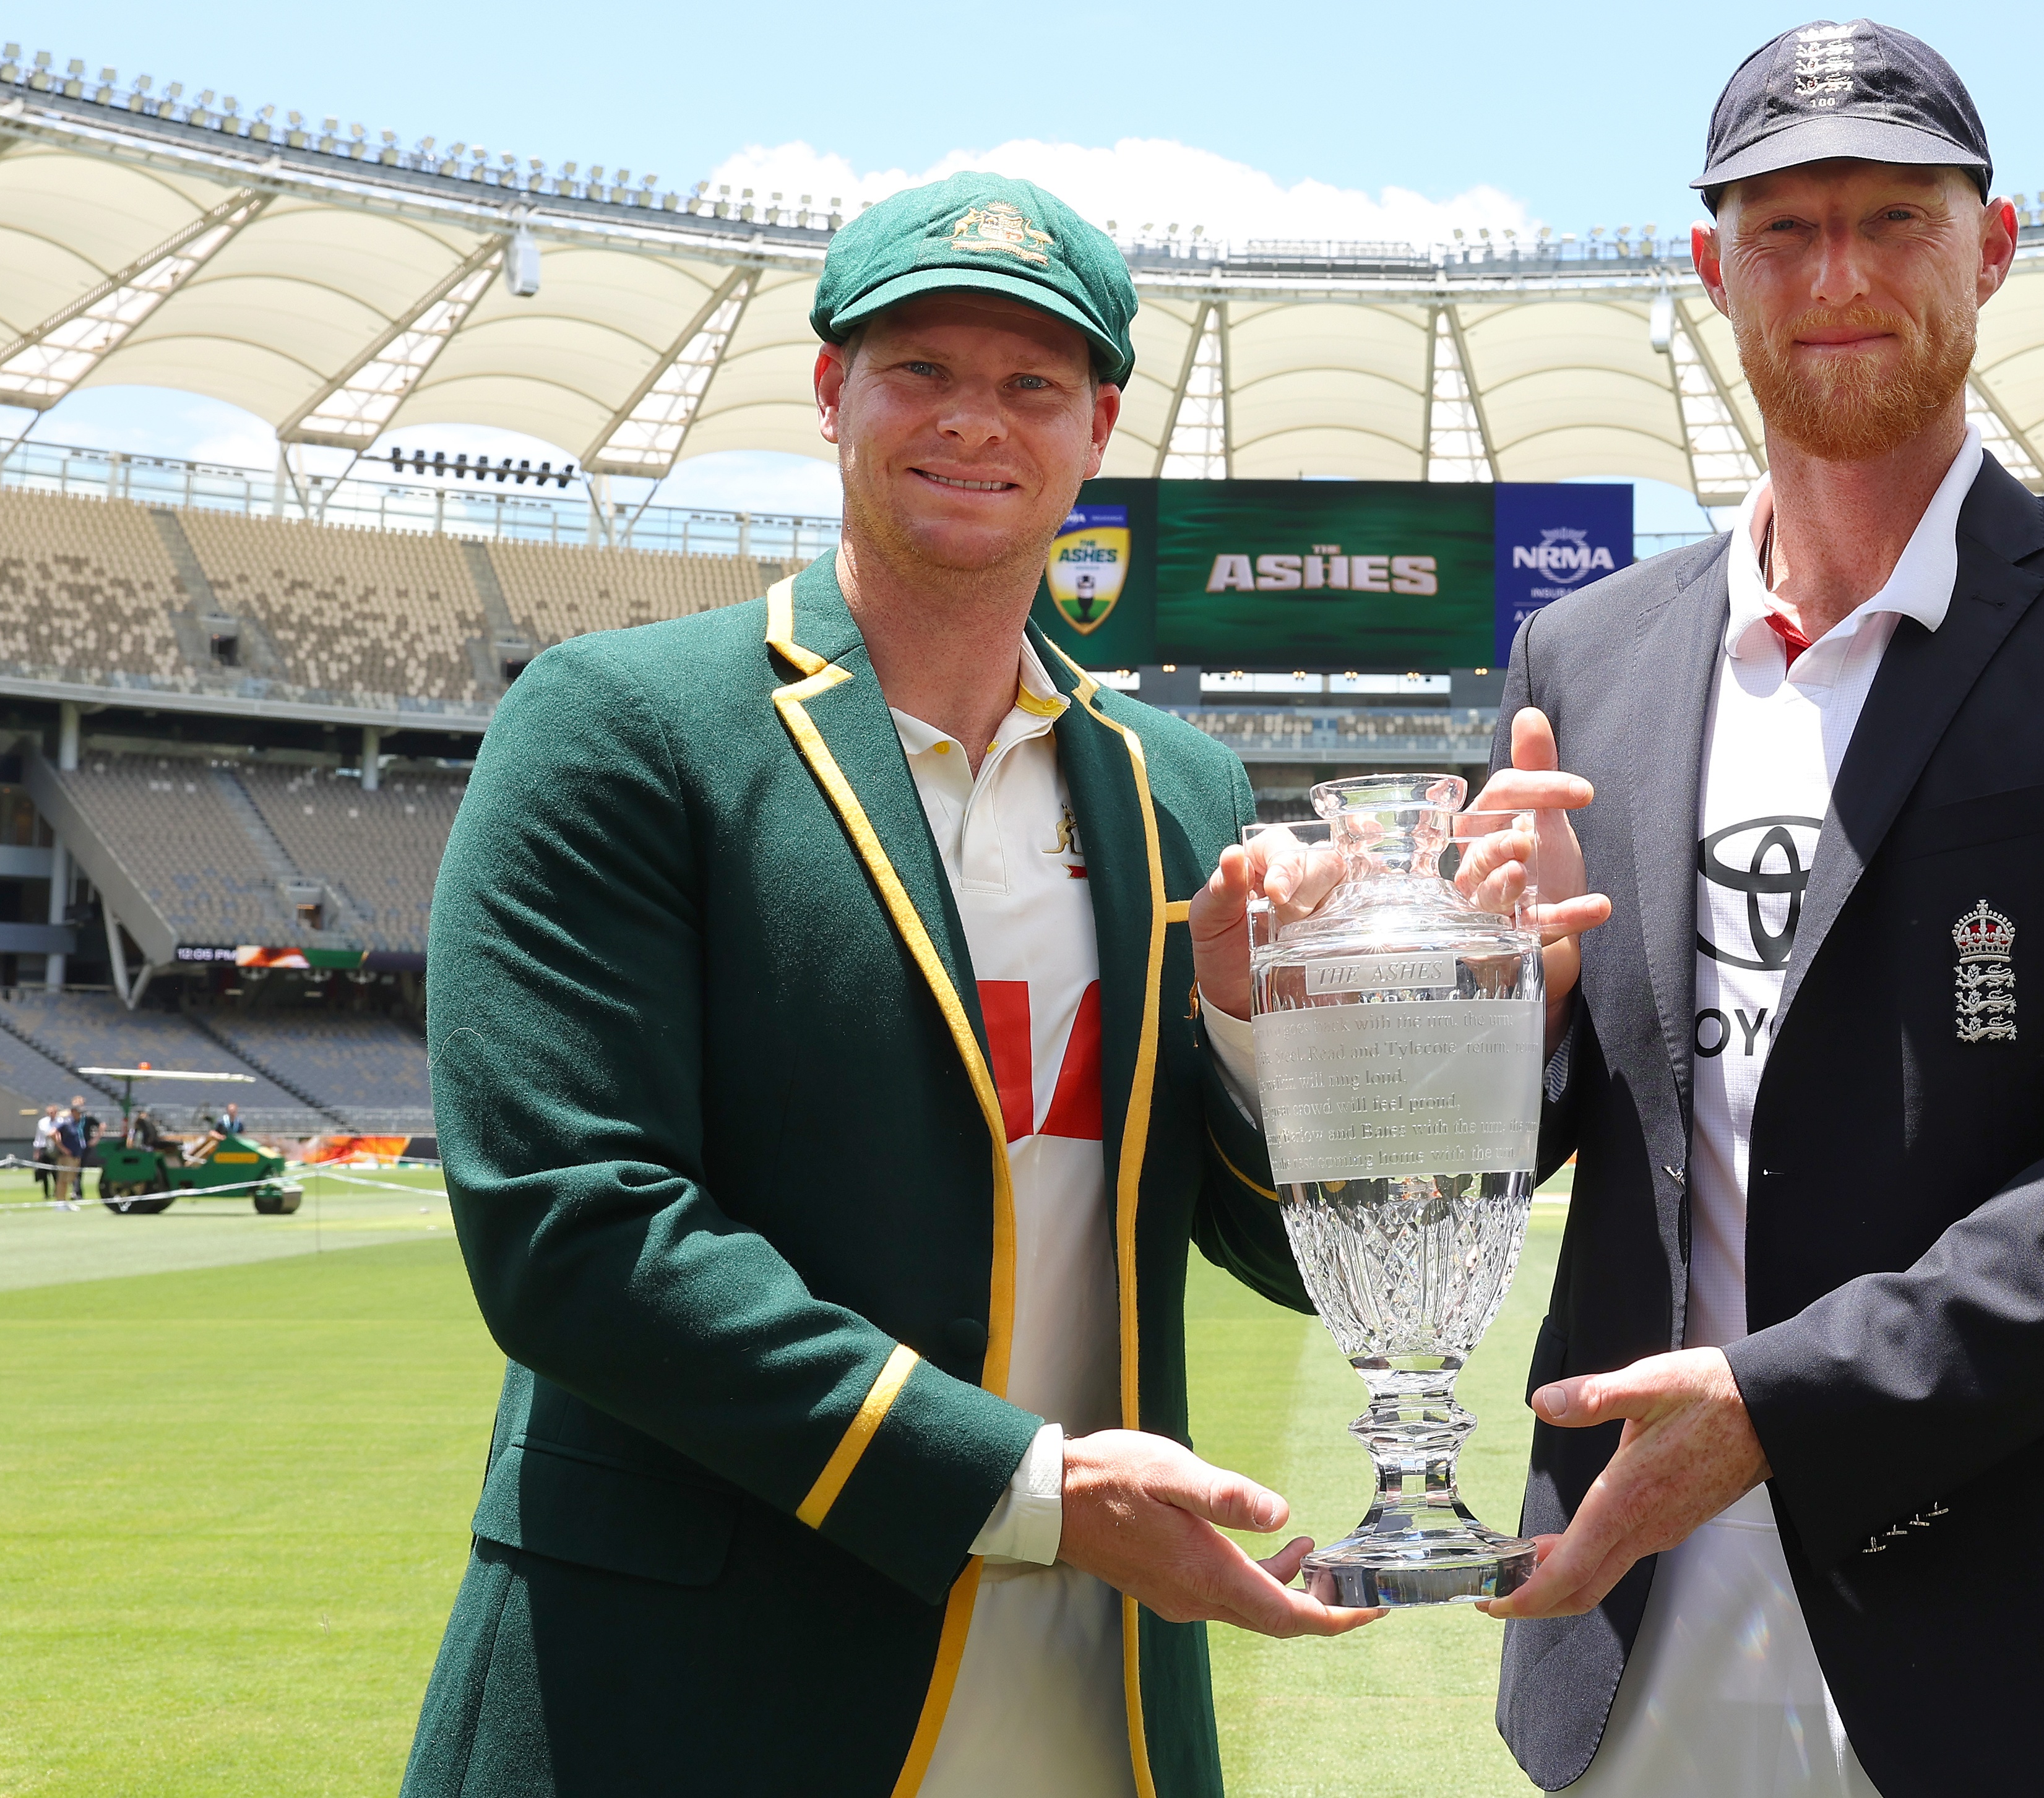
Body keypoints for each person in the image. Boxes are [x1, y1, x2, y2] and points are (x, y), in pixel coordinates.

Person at [397, 171, 1573, 1798]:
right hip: (698, 1702)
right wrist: (1027, 1485)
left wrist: (1317, 1020)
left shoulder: (1180, 790)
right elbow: (572, 1230)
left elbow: (1290, 1255)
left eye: (1030, 385)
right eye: (924, 373)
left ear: (1098, 428)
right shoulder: (622, 727)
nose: (977, 424)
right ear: (831, 393)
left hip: (1095, 1706)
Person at [1472, 22, 2044, 1797]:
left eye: (1896, 218)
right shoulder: (1586, 655)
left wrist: (1784, 1405)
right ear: (1712, 268)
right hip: (1645, 1631)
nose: (1841, 276)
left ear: (1995, 246)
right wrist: (1482, 999)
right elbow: (1555, 1122)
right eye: (1785, 232)